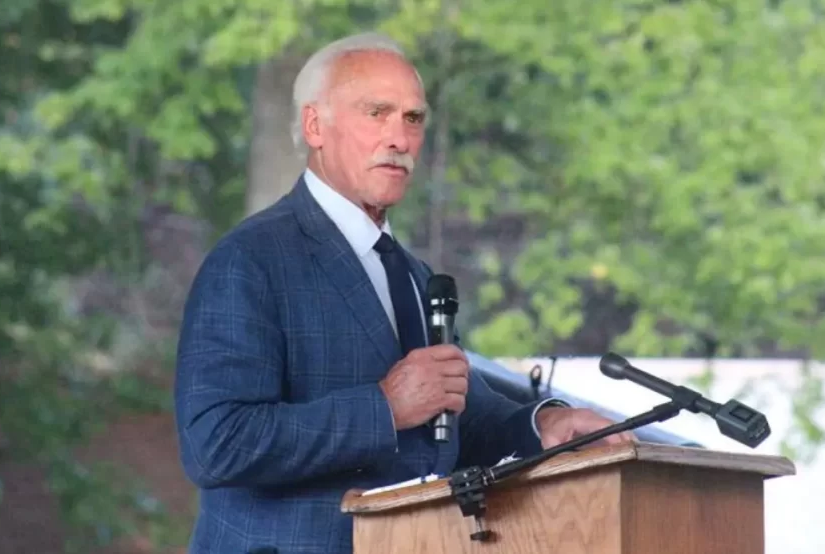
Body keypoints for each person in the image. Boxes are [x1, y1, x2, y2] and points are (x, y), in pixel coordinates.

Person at [173, 32, 633, 554]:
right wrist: (384, 407)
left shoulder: (412, 274)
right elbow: (216, 444)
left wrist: (544, 421)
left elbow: (451, 414)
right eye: (377, 113)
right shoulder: (251, 259)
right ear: (314, 125)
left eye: (413, 119)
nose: (399, 138)